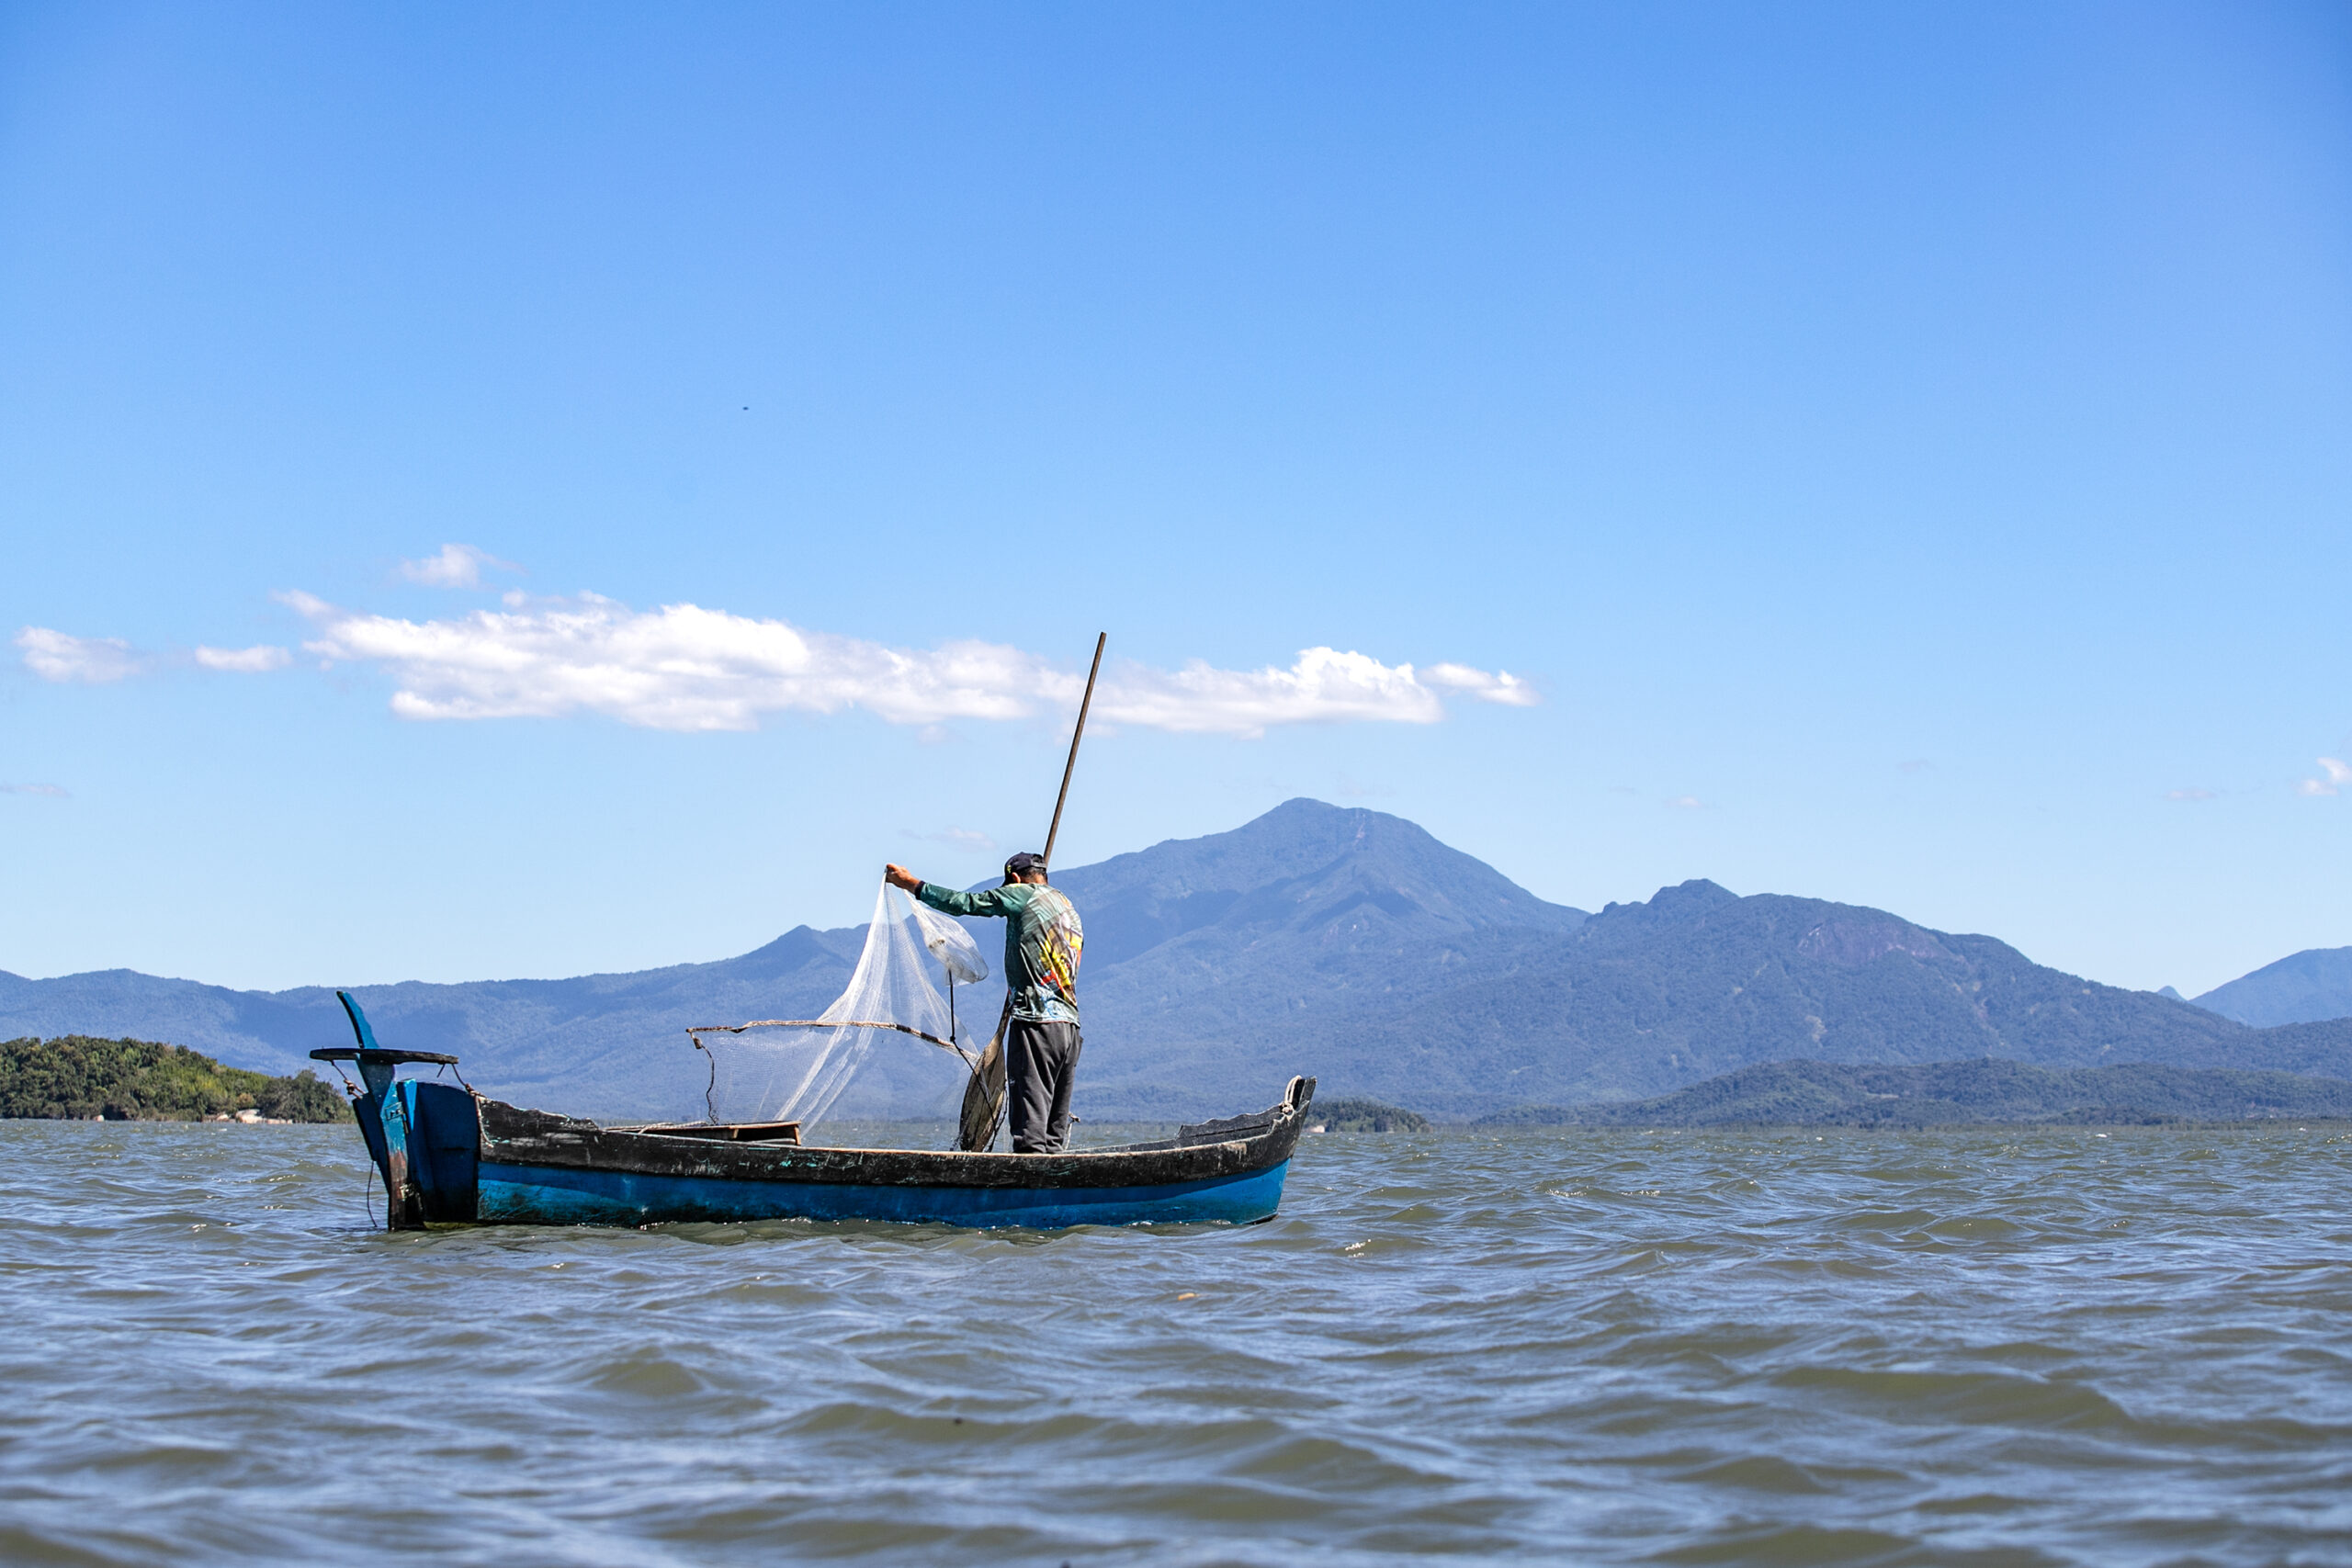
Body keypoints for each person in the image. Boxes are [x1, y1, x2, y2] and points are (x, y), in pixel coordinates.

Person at [883, 852, 1084, 1154]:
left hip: (1036, 1024)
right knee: (1051, 1138)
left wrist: (911, 884)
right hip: (1069, 1028)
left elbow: (965, 903)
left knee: (1030, 1133)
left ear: (1014, 879)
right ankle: (1053, 1180)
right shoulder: (1067, 907)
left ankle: (1026, 1181)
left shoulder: (1023, 894)